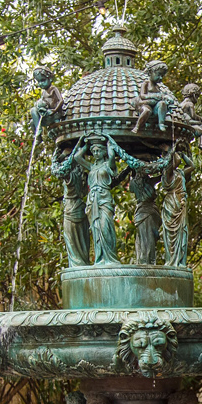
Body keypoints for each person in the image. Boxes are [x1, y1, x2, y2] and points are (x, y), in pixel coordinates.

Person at [72, 134, 121, 265]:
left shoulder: (107, 166)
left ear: (103, 151)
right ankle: (100, 258)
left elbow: (112, 157)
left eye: (98, 150)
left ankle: (110, 258)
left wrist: (109, 144)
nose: (96, 153)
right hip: (92, 200)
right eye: (93, 151)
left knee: (105, 226)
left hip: (104, 199)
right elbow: (77, 157)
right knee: (96, 228)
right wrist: (85, 144)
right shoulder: (92, 167)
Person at [50, 144, 91, 266]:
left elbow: (58, 170)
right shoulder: (82, 177)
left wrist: (64, 153)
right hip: (80, 209)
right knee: (83, 246)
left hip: (71, 210)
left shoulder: (70, 176)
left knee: (74, 250)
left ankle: (78, 269)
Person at [131, 60, 175, 133]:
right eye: (159, 74)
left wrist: (166, 98)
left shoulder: (158, 87)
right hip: (146, 105)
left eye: (162, 76)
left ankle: (161, 123)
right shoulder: (146, 83)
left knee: (162, 104)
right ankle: (137, 126)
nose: (160, 78)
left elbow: (161, 97)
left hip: (154, 106)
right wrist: (154, 96)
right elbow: (142, 95)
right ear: (150, 72)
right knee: (147, 111)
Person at [29, 67, 64, 134]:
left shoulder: (53, 89)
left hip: (54, 114)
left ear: (50, 79)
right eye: (39, 82)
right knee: (32, 119)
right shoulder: (43, 93)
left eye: (43, 80)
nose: (40, 84)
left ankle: (38, 130)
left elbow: (61, 101)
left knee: (34, 111)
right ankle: (38, 133)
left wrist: (55, 110)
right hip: (46, 113)